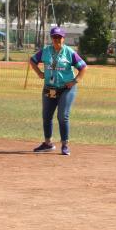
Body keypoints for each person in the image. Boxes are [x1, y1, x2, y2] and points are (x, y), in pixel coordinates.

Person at [29, 26, 86, 156]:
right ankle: (48, 143)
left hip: (66, 89)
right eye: (54, 37)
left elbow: (83, 67)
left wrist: (75, 81)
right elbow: (32, 61)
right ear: (51, 38)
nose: (56, 39)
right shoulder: (46, 51)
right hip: (50, 88)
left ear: (63, 38)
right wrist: (39, 73)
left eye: (59, 37)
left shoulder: (69, 52)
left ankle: (65, 145)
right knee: (46, 116)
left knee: (62, 116)